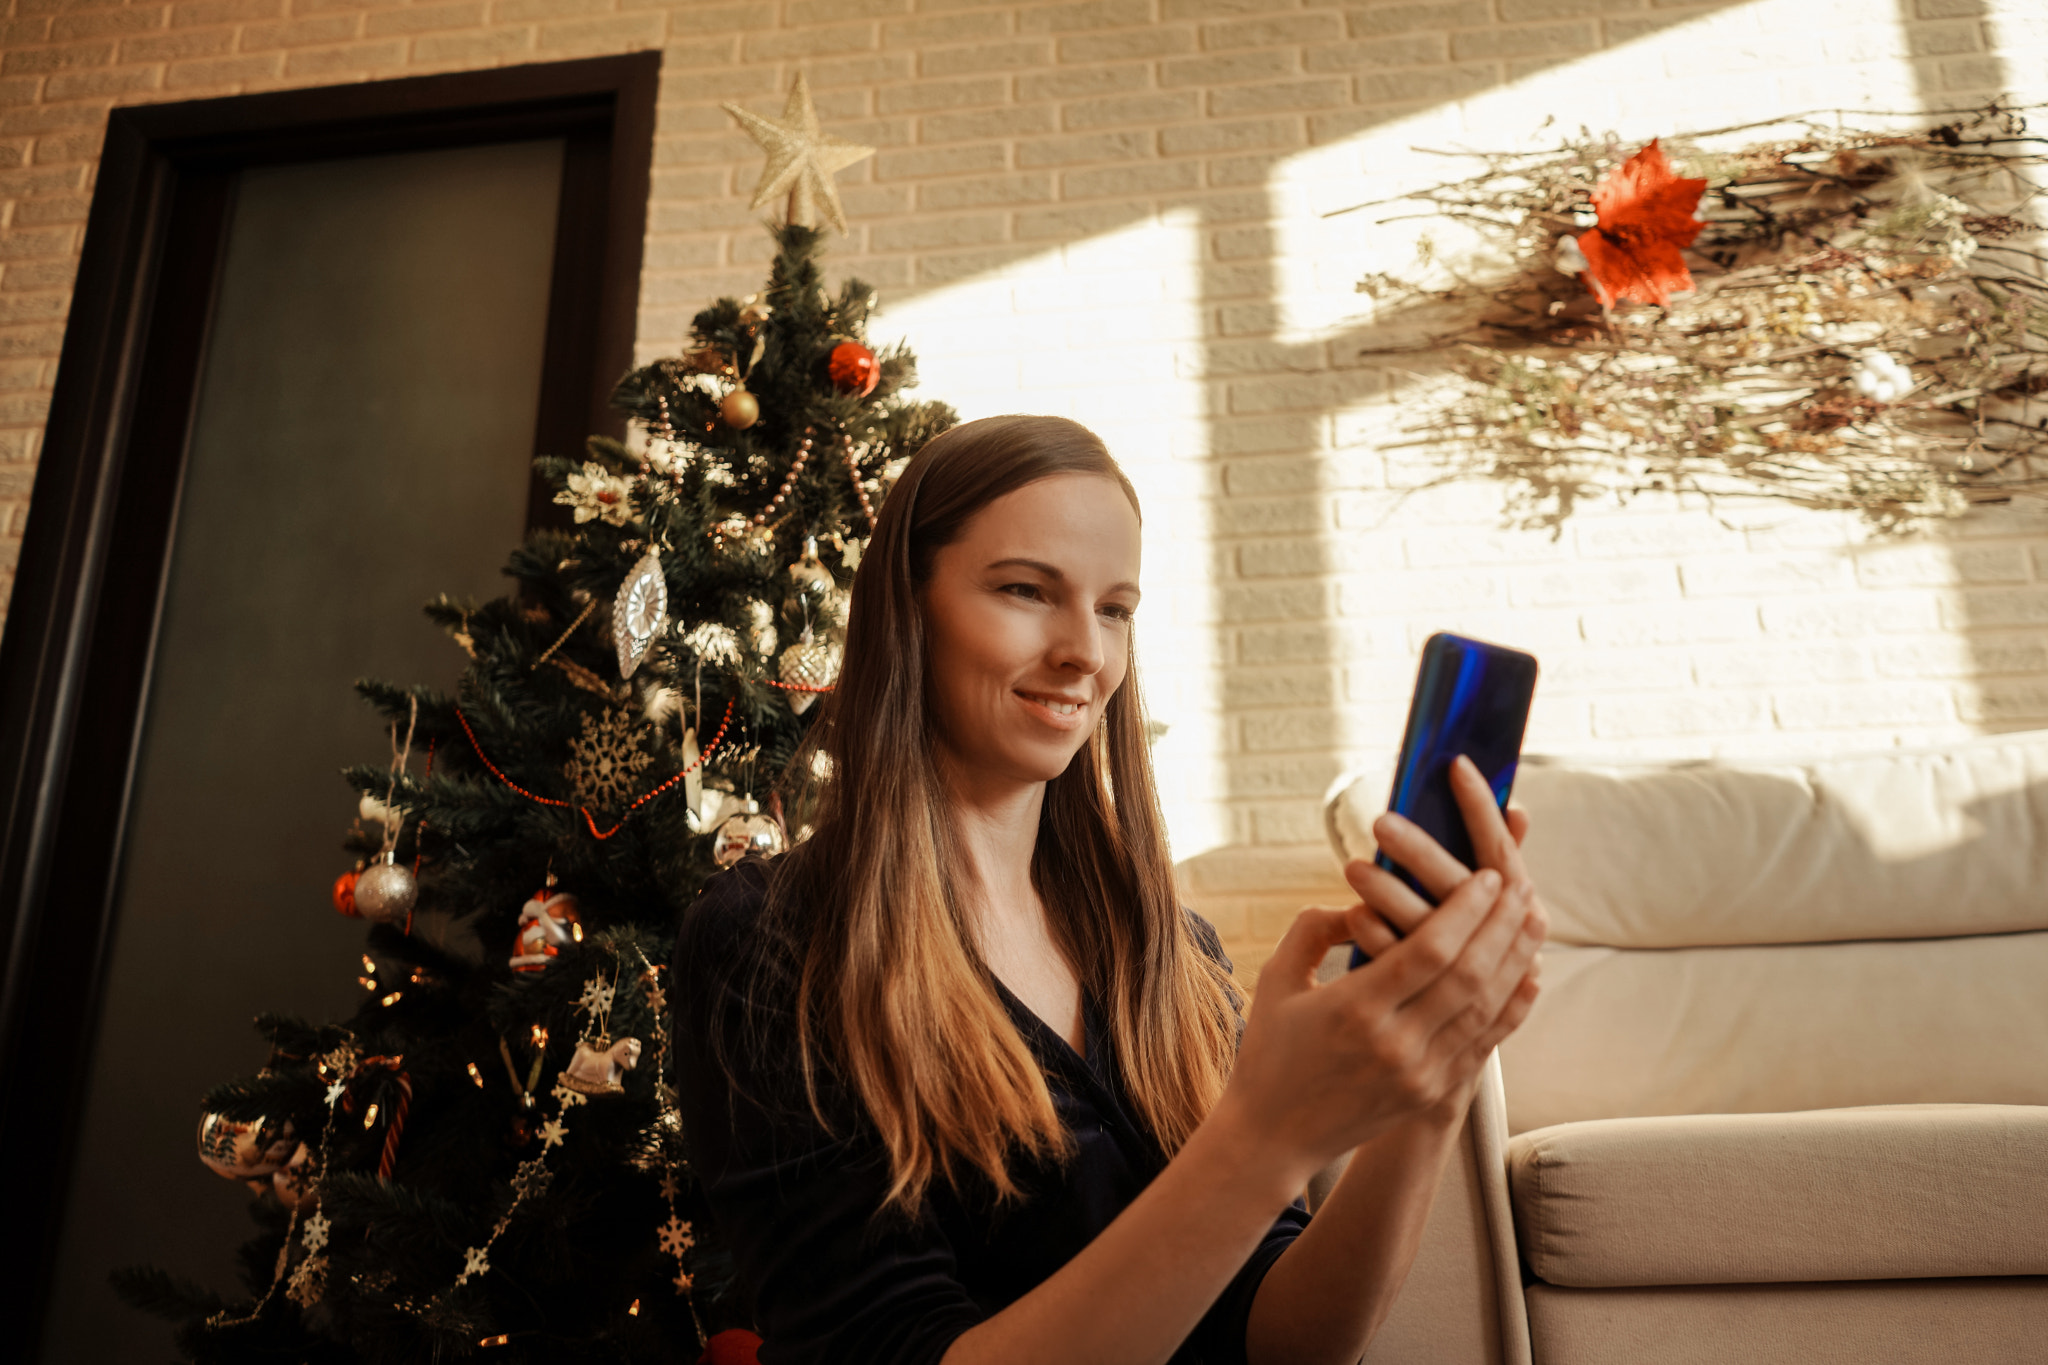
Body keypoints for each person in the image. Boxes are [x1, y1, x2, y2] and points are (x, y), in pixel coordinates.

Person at [673, 415, 1546, 1365]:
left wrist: (1436, 1078)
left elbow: (1291, 1341)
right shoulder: (771, 941)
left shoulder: (1167, 949)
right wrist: (1264, 1134)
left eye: (1116, 608)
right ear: (909, 609)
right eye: (1025, 590)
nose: (1085, 651)